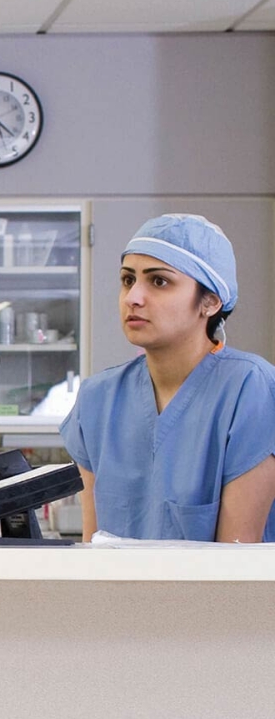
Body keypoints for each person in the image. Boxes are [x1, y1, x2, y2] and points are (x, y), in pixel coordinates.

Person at [60, 213, 275, 543]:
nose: (133, 297)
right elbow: (95, 547)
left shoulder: (250, 389)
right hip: (114, 593)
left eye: (159, 281)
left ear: (210, 301)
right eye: (128, 280)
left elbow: (237, 564)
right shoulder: (97, 398)